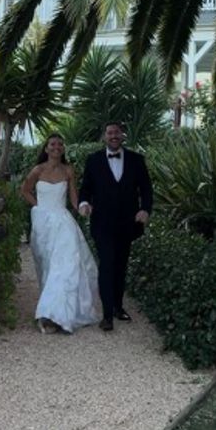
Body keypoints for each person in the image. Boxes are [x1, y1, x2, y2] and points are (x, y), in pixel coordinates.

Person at [20, 134, 100, 334]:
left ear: (63, 149)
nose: (56, 147)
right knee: (47, 267)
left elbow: (73, 198)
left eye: (60, 144)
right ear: (46, 148)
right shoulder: (37, 170)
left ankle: (59, 315)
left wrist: (83, 207)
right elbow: (25, 190)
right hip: (43, 224)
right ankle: (50, 312)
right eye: (52, 144)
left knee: (65, 266)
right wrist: (39, 207)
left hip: (64, 222)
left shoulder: (68, 170)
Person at [78, 121, 153, 332]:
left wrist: (145, 209)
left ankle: (118, 307)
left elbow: (146, 189)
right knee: (107, 264)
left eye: (117, 132)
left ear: (122, 135)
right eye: (110, 133)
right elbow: (85, 189)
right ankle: (107, 315)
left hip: (127, 223)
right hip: (102, 223)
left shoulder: (136, 160)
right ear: (104, 136)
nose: (113, 136)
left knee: (121, 265)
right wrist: (84, 204)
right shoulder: (93, 160)